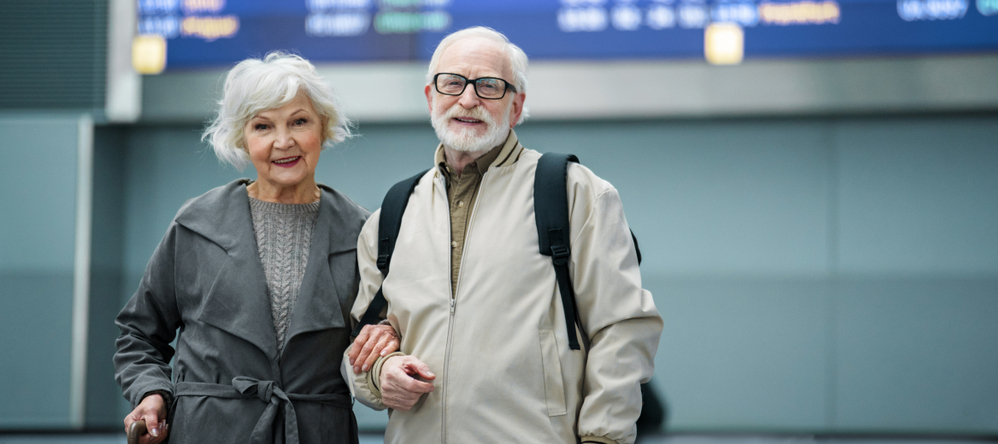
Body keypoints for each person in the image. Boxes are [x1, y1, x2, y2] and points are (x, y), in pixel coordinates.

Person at [343, 27, 663, 444]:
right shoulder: (392, 214)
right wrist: (379, 372)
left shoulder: (574, 193)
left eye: (489, 86)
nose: (468, 99)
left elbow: (622, 329)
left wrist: (603, 439)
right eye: (452, 83)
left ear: (516, 106)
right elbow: (359, 343)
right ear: (430, 97)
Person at [113, 52, 397, 444]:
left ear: (323, 126)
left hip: (316, 433)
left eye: (299, 121)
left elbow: (385, 335)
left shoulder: (363, 233)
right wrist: (151, 392)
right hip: (209, 432)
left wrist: (388, 338)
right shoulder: (196, 224)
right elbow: (139, 335)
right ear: (242, 139)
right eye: (263, 126)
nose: (284, 141)